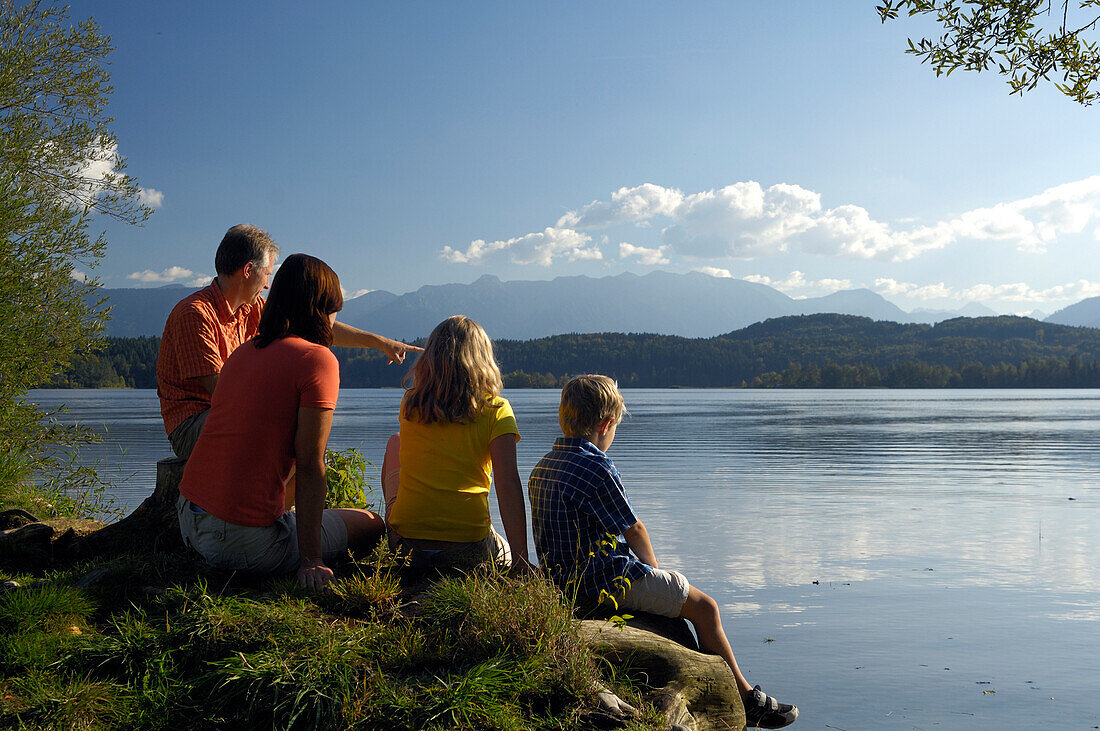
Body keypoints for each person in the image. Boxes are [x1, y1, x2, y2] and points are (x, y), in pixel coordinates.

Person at [528, 375, 799, 729]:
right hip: (606, 581)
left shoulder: (542, 467)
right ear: (606, 424)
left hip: (563, 584)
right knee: (706, 608)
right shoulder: (595, 465)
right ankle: (746, 698)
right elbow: (634, 529)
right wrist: (654, 570)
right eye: (614, 429)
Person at [176, 254, 385, 589]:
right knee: (372, 523)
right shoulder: (317, 359)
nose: (333, 323)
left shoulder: (242, 353)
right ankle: (286, 543)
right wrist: (311, 561)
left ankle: (272, 525)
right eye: (333, 312)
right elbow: (310, 463)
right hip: (241, 545)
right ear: (320, 310)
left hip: (189, 519)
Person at [157, 224, 419, 459]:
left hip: (233, 415)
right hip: (193, 425)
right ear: (248, 270)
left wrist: (381, 343)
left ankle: (281, 504)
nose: (269, 285)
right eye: (267, 274)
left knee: (296, 427)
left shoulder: (254, 309)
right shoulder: (195, 314)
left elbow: (317, 326)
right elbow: (223, 393)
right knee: (288, 427)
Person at [381, 315, 534, 574]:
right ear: (483, 359)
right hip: (468, 550)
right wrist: (520, 560)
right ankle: (511, 558)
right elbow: (507, 484)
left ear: (431, 357)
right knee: (504, 549)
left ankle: (396, 528)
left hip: (408, 549)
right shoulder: (496, 409)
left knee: (395, 443)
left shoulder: (411, 403)